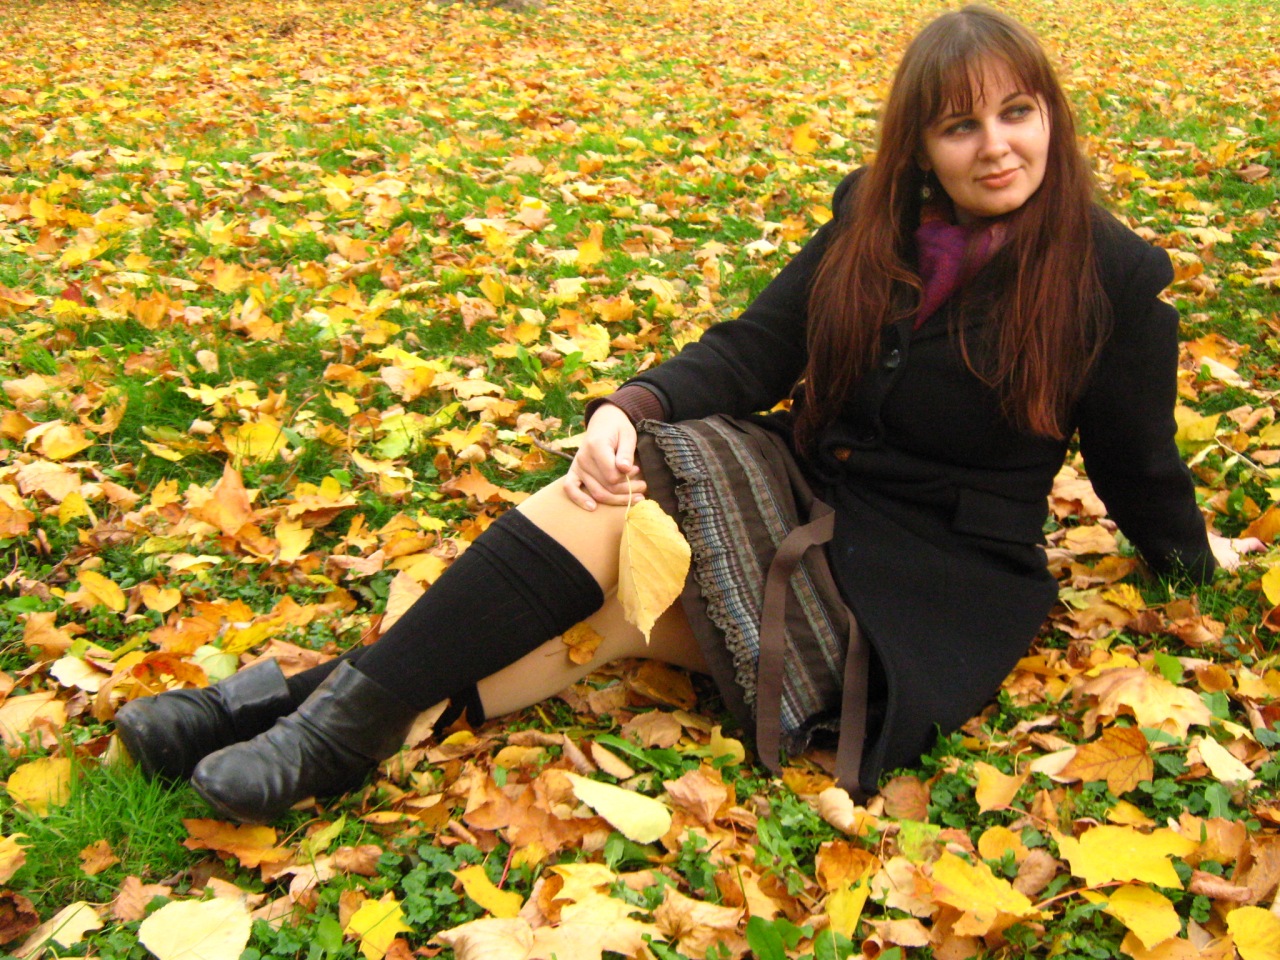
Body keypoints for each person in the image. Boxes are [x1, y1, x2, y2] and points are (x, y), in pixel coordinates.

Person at [115, 5, 1257, 824]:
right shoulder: (873, 217)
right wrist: (631, 403)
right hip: (803, 479)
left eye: (1016, 113)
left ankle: (283, 714)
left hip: (924, 573)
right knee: (613, 505)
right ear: (919, 143)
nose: (995, 146)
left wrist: (1193, 562)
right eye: (961, 126)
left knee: (624, 600)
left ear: (1051, 117)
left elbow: (1138, 462)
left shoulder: (1112, 276)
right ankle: (323, 733)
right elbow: (758, 346)